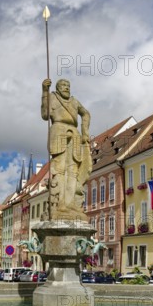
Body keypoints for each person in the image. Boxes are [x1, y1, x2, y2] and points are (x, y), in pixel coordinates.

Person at [41, 78, 92, 220]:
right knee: (59, 169)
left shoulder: (74, 102)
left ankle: (71, 206)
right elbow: (45, 115)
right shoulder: (52, 97)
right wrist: (45, 92)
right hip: (58, 131)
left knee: (73, 171)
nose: (66, 87)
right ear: (57, 88)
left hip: (75, 134)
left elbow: (86, 114)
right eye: (63, 85)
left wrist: (85, 132)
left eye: (68, 85)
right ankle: (59, 205)